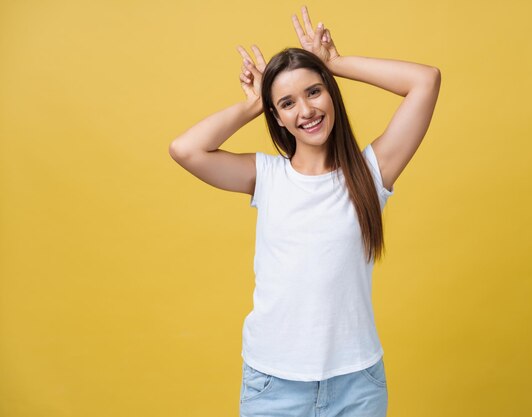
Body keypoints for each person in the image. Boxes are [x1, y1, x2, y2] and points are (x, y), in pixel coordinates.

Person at [168, 6, 441, 417]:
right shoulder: (266, 176)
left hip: (357, 385)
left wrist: (335, 63)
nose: (306, 111)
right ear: (277, 116)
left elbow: (426, 81)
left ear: (330, 93)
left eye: (314, 91)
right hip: (273, 385)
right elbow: (185, 149)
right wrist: (252, 105)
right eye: (287, 103)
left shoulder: (370, 172)